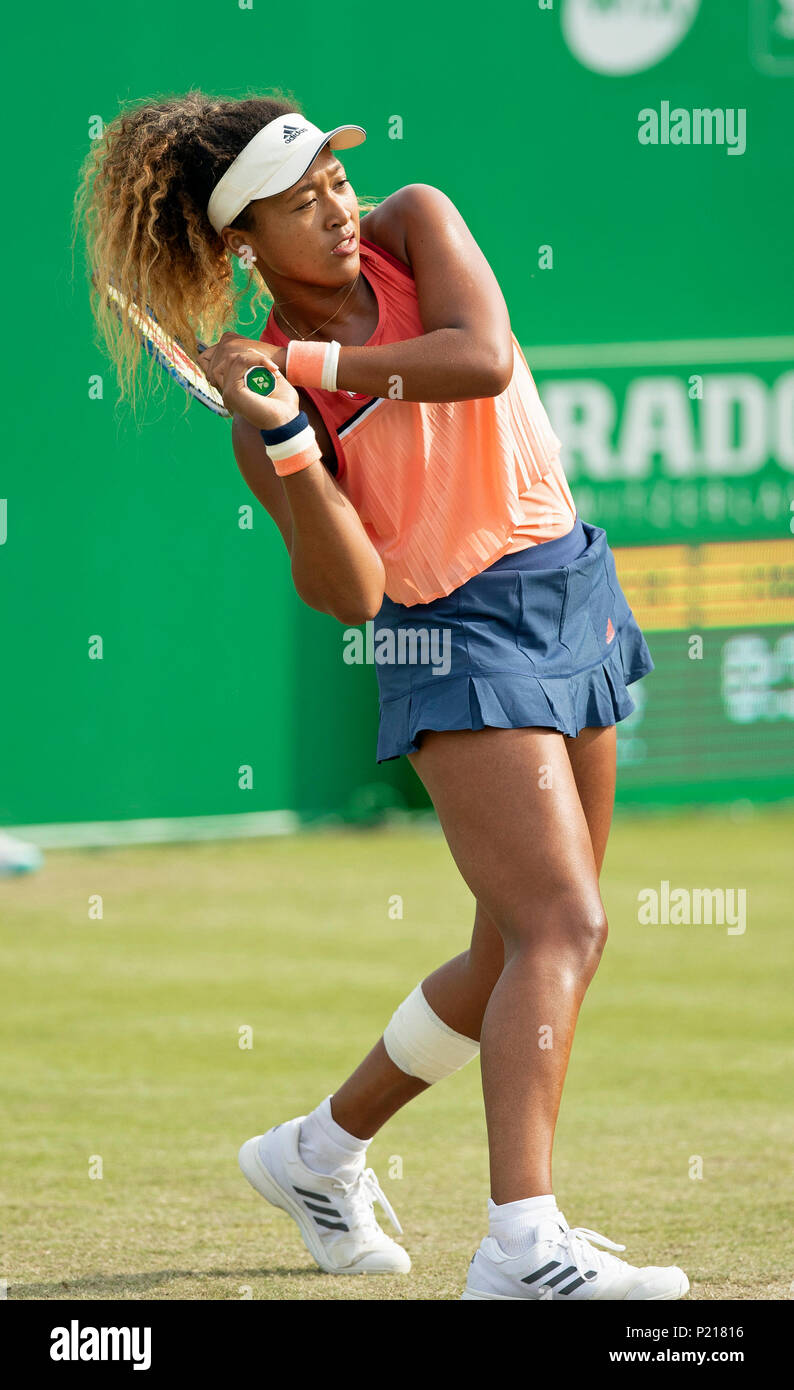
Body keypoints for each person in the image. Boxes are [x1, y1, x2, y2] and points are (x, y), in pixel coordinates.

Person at [77, 90, 689, 1301]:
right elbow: (351, 591)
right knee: (562, 928)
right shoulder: (268, 416)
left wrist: (302, 363)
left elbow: (479, 359)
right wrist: (292, 442)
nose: (339, 210)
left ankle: (315, 1152)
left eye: (336, 183)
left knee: (512, 946)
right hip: (449, 635)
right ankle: (520, 1245)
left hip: (567, 579)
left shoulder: (416, 224)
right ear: (242, 242)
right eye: (301, 204)